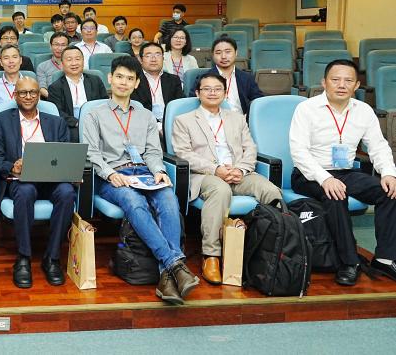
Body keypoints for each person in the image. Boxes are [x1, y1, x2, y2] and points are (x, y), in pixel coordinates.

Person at [82, 55, 198, 305]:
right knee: (135, 204)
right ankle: (175, 264)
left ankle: (168, 274)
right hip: (114, 176)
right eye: (119, 77)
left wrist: (159, 171)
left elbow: (154, 152)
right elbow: (91, 153)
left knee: (168, 197)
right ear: (110, 79)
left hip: (144, 174)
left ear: (137, 84)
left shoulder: (145, 115)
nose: (124, 83)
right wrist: (111, 174)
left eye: (130, 79)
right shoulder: (94, 114)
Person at [290, 59, 396, 285]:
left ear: (357, 86)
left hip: (346, 172)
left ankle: (385, 258)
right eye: (335, 79)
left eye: (348, 80)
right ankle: (349, 262)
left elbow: (377, 145)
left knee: (389, 192)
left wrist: (388, 173)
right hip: (309, 173)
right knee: (335, 194)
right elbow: (298, 151)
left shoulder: (363, 111)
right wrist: (325, 178)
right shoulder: (306, 108)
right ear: (324, 82)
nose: (341, 85)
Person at [171, 73, 282, 285]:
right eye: (207, 89)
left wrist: (241, 169)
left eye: (217, 89)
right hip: (205, 175)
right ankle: (211, 255)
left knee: (271, 191)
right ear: (197, 93)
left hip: (239, 173)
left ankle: (269, 247)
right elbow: (184, 153)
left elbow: (250, 148)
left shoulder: (237, 118)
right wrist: (216, 169)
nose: (212, 92)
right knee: (220, 190)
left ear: (224, 93)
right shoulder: (183, 120)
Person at [0, 76, 75, 288]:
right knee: (25, 191)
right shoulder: (2, 120)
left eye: (33, 92)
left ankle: (52, 258)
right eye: (23, 93)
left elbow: (65, 155)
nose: (28, 96)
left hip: (51, 179)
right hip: (22, 179)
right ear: (14, 95)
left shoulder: (56, 122)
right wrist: (12, 166)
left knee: (66, 192)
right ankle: (23, 258)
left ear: (39, 94)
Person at [47, 46, 106, 142]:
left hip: (96, 123)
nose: (74, 63)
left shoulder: (96, 81)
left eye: (78, 59)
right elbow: (57, 111)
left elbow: (104, 103)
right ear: (62, 64)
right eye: (69, 60)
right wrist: (78, 123)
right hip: (72, 126)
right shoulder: (55, 87)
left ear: (83, 61)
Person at [132, 42, 184, 127]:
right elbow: (137, 110)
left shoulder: (174, 80)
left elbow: (179, 106)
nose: (153, 59)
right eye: (148, 55)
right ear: (140, 60)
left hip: (171, 124)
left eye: (158, 55)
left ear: (163, 58)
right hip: (144, 125)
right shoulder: (134, 80)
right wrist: (157, 126)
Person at [209, 36, 263, 115]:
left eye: (228, 52)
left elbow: (258, 101)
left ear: (236, 53)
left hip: (241, 122)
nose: (223, 56)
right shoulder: (203, 78)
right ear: (213, 56)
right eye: (218, 53)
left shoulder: (247, 78)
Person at [0, 44, 26, 122]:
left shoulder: (29, 84)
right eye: (6, 58)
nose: (11, 61)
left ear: (20, 60)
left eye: (14, 57)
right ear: (1, 62)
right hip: (3, 128)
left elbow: (36, 111)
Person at [37, 32, 68, 98]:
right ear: (50, 46)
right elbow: (42, 89)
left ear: (68, 47)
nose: (60, 48)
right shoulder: (42, 66)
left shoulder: (74, 64)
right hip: (52, 99)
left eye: (63, 45)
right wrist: (54, 98)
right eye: (56, 44)